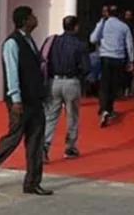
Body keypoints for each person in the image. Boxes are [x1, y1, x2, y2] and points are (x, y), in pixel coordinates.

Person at [0, 5, 52, 196]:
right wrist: (15, 98)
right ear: (26, 20)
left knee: (36, 141)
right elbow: (12, 72)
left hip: (35, 100)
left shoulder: (29, 40)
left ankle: (33, 182)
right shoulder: (12, 43)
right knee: (12, 139)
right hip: (21, 102)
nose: (36, 19)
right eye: (33, 16)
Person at [43, 15, 90, 162]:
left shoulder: (52, 41)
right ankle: (70, 146)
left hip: (53, 81)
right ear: (76, 27)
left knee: (50, 115)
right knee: (72, 115)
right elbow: (86, 67)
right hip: (71, 81)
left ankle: (44, 145)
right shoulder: (80, 45)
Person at [89, 4, 134, 127]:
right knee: (114, 84)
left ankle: (104, 108)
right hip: (118, 58)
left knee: (104, 84)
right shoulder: (124, 26)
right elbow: (129, 45)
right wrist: (131, 61)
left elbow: (93, 39)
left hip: (105, 56)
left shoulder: (102, 24)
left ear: (108, 13)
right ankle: (109, 108)